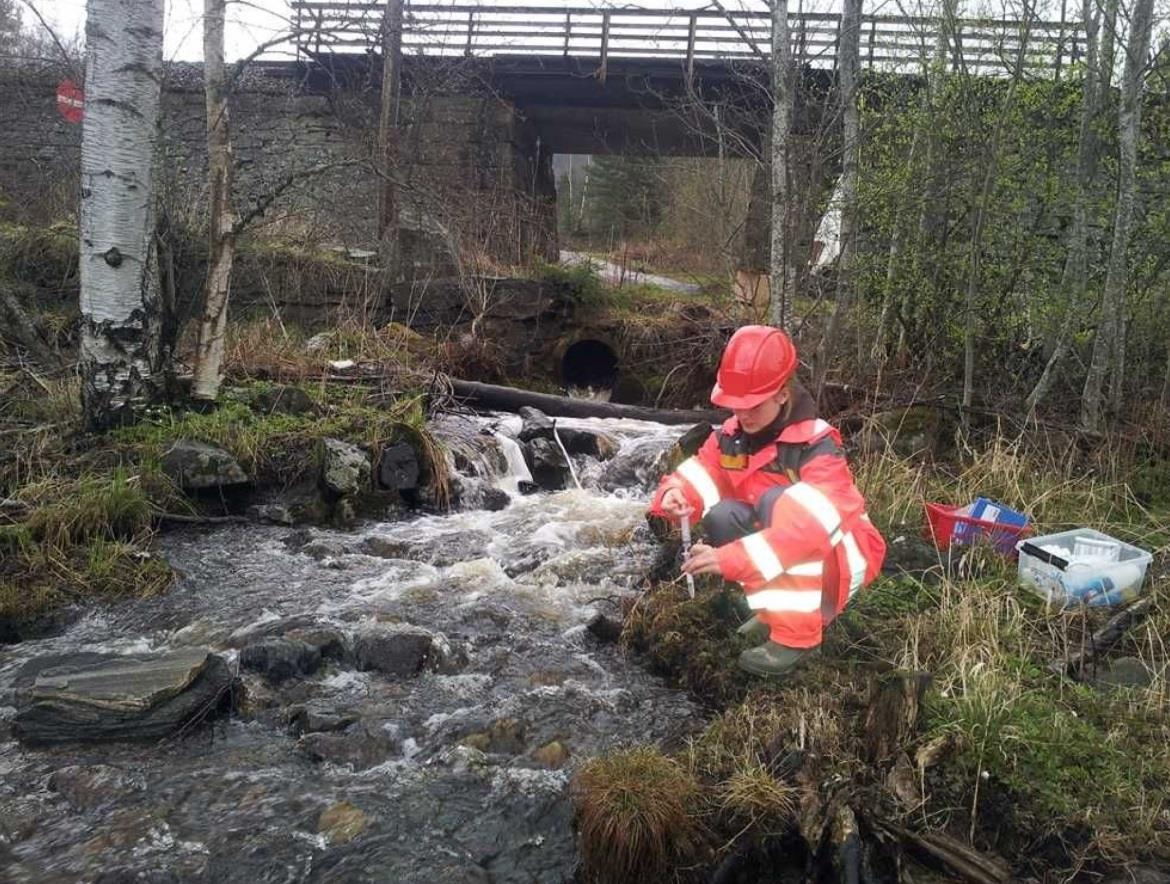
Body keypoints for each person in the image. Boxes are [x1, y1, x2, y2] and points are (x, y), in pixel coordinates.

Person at [648, 325, 886, 677]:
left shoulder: (817, 446)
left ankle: (797, 637)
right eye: (735, 405)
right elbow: (704, 473)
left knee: (781, 502)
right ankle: (773, 612)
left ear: (782, 394)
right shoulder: (733, 437)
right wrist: (674, 495)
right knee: (723, 516)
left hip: (842, 557)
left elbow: (805, 531)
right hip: (796, 547)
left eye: (752, 405)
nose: (742, 414)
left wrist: (729, 559)